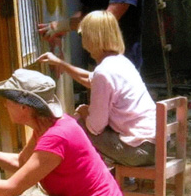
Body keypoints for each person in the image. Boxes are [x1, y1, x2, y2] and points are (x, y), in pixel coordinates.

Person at [37, 10, 156, 168]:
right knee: (80, 122)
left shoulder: (104, 72)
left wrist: (85, 113)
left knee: (73, 126)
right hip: (154, 146)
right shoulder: (121, 62)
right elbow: (90, 79)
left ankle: (77, 176)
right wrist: (60, 64)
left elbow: (95, 127)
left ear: (91, 38)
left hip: (137, 151)